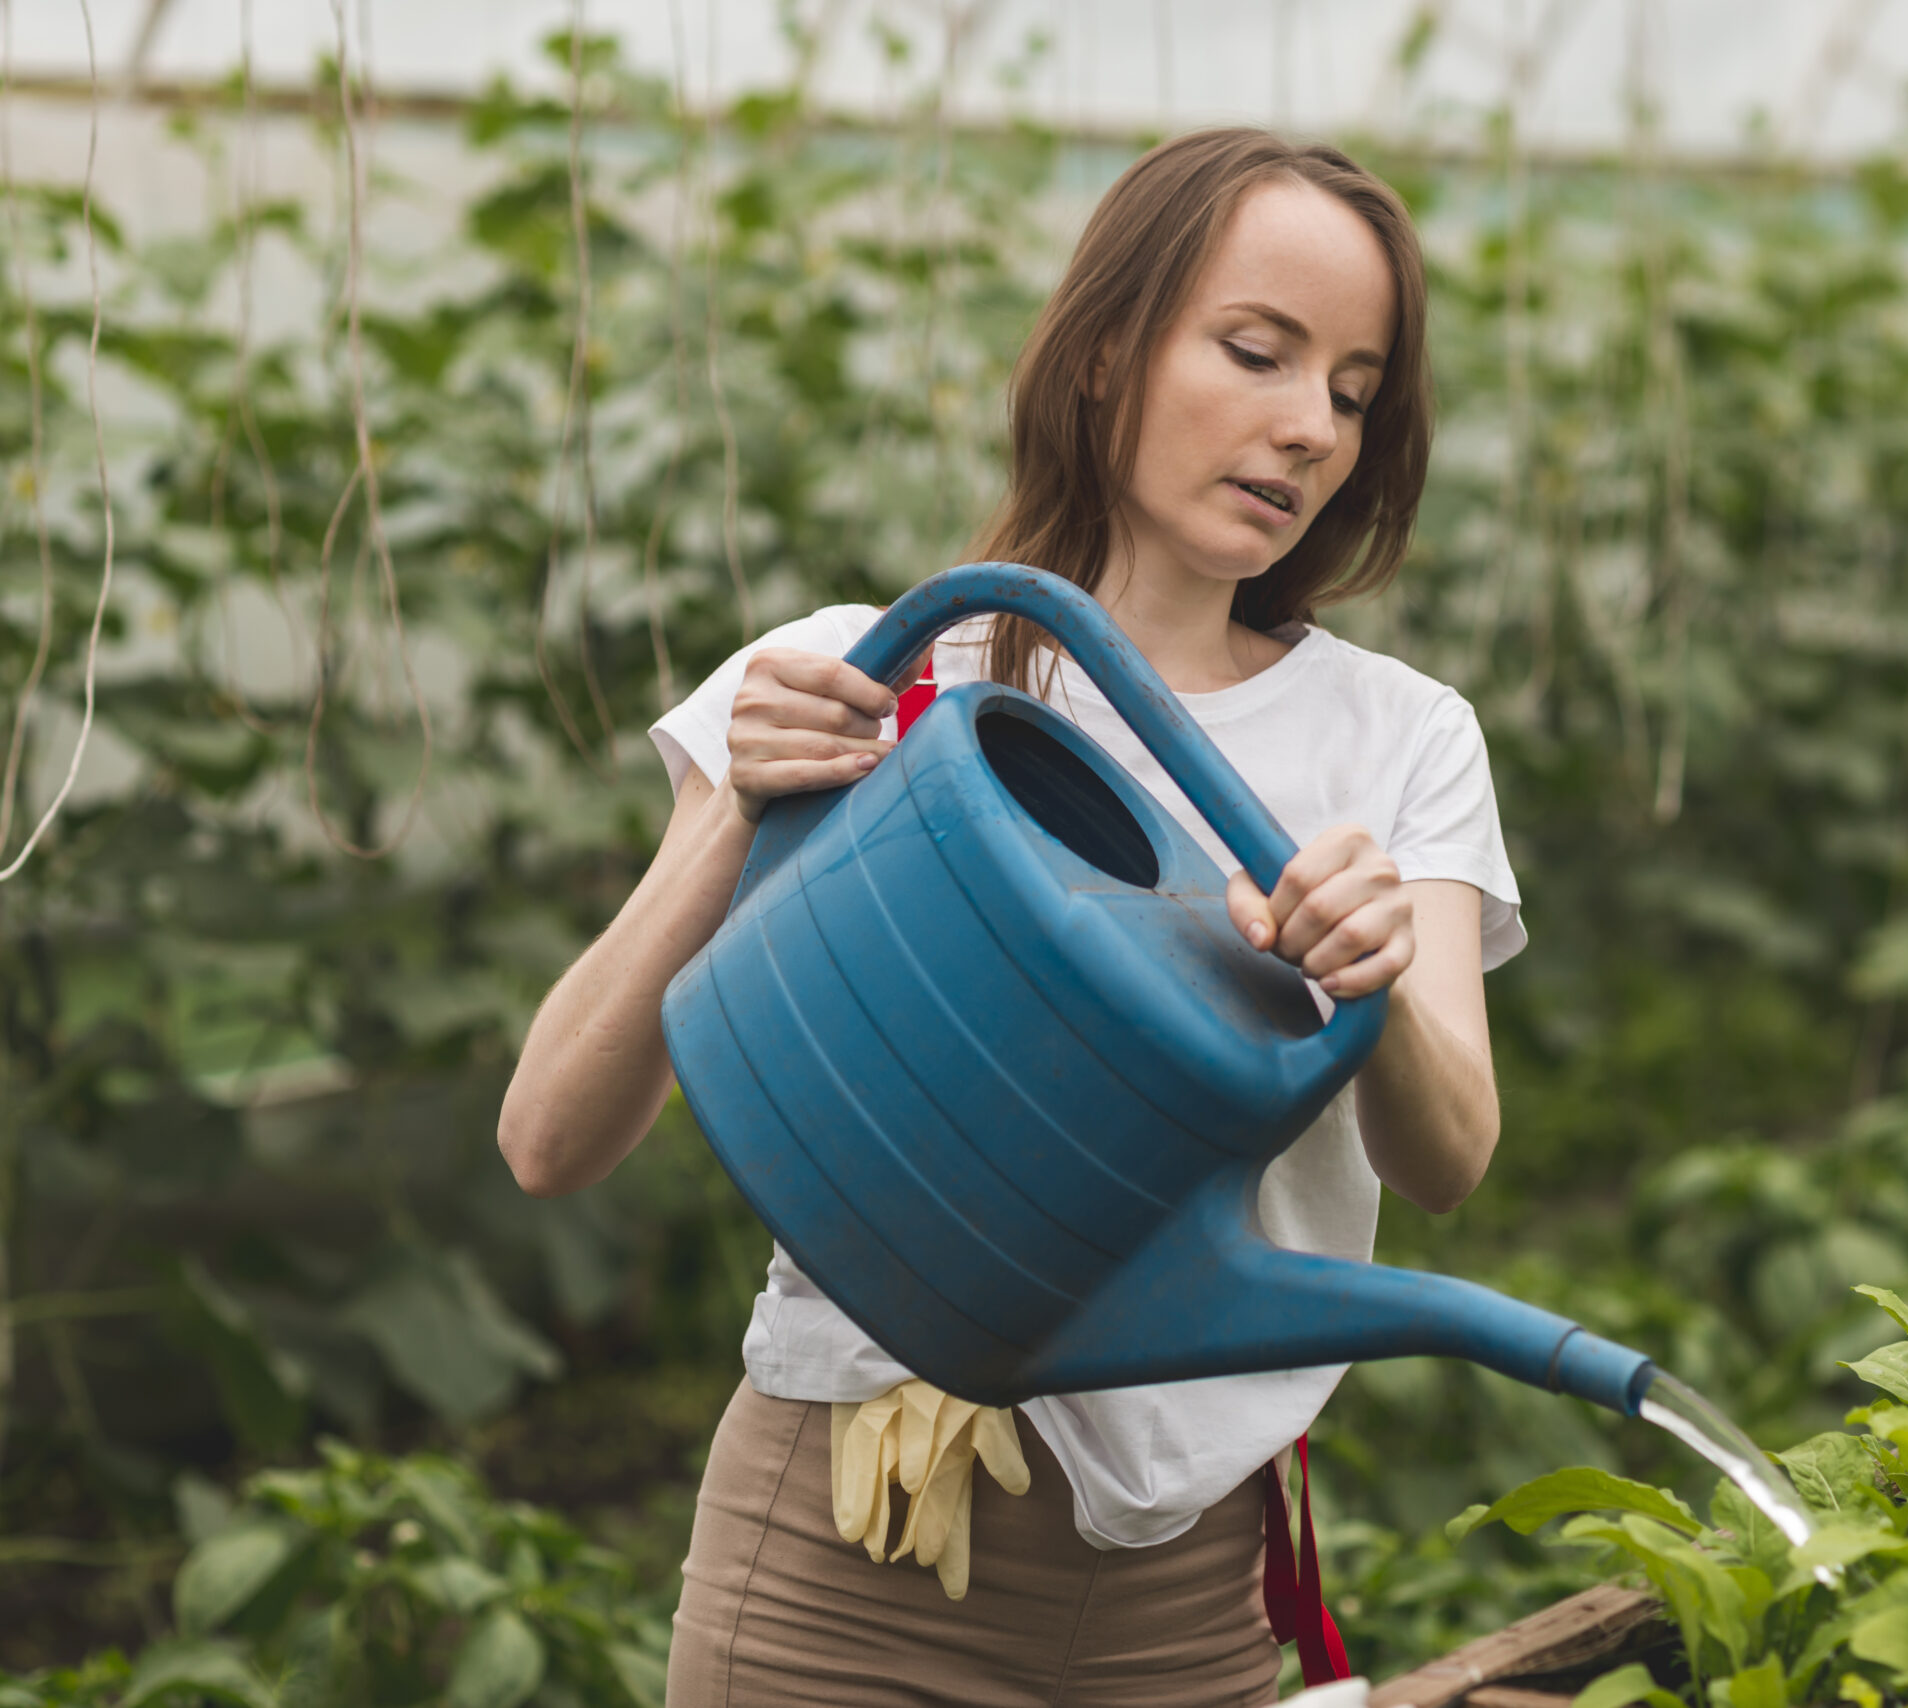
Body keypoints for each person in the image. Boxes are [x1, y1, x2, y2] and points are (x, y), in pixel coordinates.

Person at [498, 127, 1523, 1707]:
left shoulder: (1395, 740)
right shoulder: (875, 673)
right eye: (1258, 352)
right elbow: (550, 1138)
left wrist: (1372, 982)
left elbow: (1448, 1159)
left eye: (1352, 390)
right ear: (1107, 351)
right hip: (841, 1573)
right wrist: (730, 819)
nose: (1307, 425)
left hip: (1190, 1598)